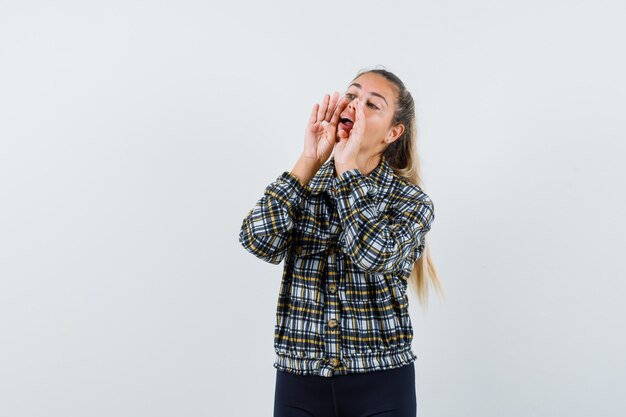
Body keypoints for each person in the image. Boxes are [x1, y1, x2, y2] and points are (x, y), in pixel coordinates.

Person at [239, 67, 444, 417]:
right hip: (300, 380)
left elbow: (373, 254)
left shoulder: (410, 202)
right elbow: (257, 240)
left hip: (382, 383)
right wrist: (308, 160)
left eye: (372, 104)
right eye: (351, 95)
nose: (353, 105)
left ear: (393, 133)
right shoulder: (305, 186)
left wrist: (346, 168)